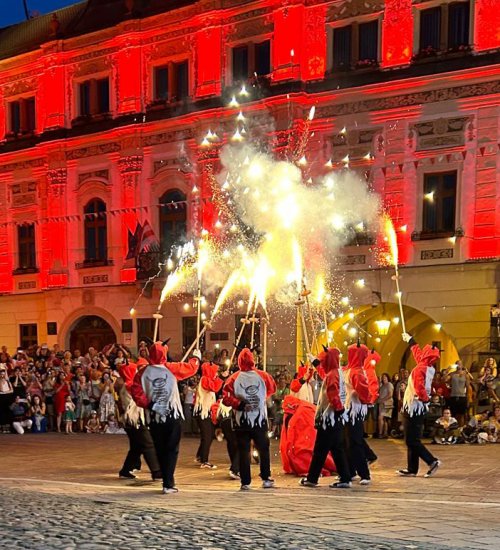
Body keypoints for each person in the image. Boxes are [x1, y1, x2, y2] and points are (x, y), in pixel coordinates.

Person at [131, 341, 201, 494]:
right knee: (171, 449)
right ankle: (168, 482)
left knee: (160, 448)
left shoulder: (142, 373)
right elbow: (191, 368)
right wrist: (196, 357)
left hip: (154, 416)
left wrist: (150, 405)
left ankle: (166, 480)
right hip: (171, 414)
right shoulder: (171, 368)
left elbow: (136, 394)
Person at [222, 348, 277, 491]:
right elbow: (272, 389)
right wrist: (259, 399)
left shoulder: (233, 378)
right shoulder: (263, 376)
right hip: (259, 420)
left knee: (243, 450)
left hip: (241, 421)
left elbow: (226, 399)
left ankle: (245, 481)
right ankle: (266, 477)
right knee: (263, 449)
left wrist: (239, 404)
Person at [299, 346, 351, 488]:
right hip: (336, 417)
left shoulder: (332, 375)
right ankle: (345, 477)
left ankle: (312, 478)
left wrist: (339, 410)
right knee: (336, 448)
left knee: (320, 449)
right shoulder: (337, 372)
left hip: (330, 417)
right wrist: (315, 362)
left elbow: (333, 394)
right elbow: (324, 373)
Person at [398, 333, 441, 478]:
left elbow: (419, 387)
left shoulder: (419, 369)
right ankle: (412, 469)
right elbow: (419, 355)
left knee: (411, 440)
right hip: (418, 406)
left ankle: (432, 461)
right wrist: (411, 341)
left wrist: (424, 398)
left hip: (414, 406)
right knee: (411, 438)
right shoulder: (428, 367)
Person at [116, 362, 161, 480]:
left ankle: (125, 470)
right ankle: (156, 472)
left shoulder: (127, 385)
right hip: (135, 421)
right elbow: (144, 395)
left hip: (131, 421)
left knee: (137, 447)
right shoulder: (130, 385)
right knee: (148, 444)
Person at [343, 343, 372, 485]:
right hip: (351, 408)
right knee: (349, 441)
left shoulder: (356, 372)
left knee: (355, 442)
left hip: (354, 409)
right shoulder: (353, 370)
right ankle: (351, 471)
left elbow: (363, 391)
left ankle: (364, 473)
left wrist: (365, 399)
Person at [194, 362, 223, 469]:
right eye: (215, 371)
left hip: (205, 412)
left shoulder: (207, 379)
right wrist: (221, 378)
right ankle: (204, 460)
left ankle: (200, 456)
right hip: (202, 412)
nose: (216, 373)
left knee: (208, 435)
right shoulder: (205, 379)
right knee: (207, 436)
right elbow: (215, 387)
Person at [211, 399, 240, 480]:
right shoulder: (237, 394)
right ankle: (235, 469)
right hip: (233, 421)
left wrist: (218, 426)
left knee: (231, 444)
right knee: (241, 445)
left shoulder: (225, 397)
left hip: (224, 422)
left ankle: (235, 468)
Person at [446, 361, 470, 427]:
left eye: (460, 364)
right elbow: (444, 380)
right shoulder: (452, 374)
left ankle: (460, 429)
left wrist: (468, 399)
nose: (459, 365)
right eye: (457, 364)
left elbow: (468, 387)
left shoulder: (466, 375)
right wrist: (447, 370)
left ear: (462, 365)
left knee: (461, 414)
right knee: (453, 414)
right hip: (453, 396)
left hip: (462, 396)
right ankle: (453, 429)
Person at [377, 373, 394, 438]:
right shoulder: (382, 386)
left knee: (380, 417)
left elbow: (390, 394)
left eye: (385, 377)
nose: (383, 378)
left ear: (387, 377)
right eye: (382, 377)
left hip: (386, 403)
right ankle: (385, 433)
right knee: (384, 419)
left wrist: (382, 400)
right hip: (382, 404)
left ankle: (380, 433)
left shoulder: (389, 384)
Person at [0, 364, 14, 433]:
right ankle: (2, 427)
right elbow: (1, 390)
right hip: (2, 398)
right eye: (1, 374)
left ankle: (8, 427)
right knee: (2, 412)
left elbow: (12, 390)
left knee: (8, 411)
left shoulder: (8, 381)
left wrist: (6, 392)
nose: (2, 375)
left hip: (8, 397)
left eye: (3, 374)